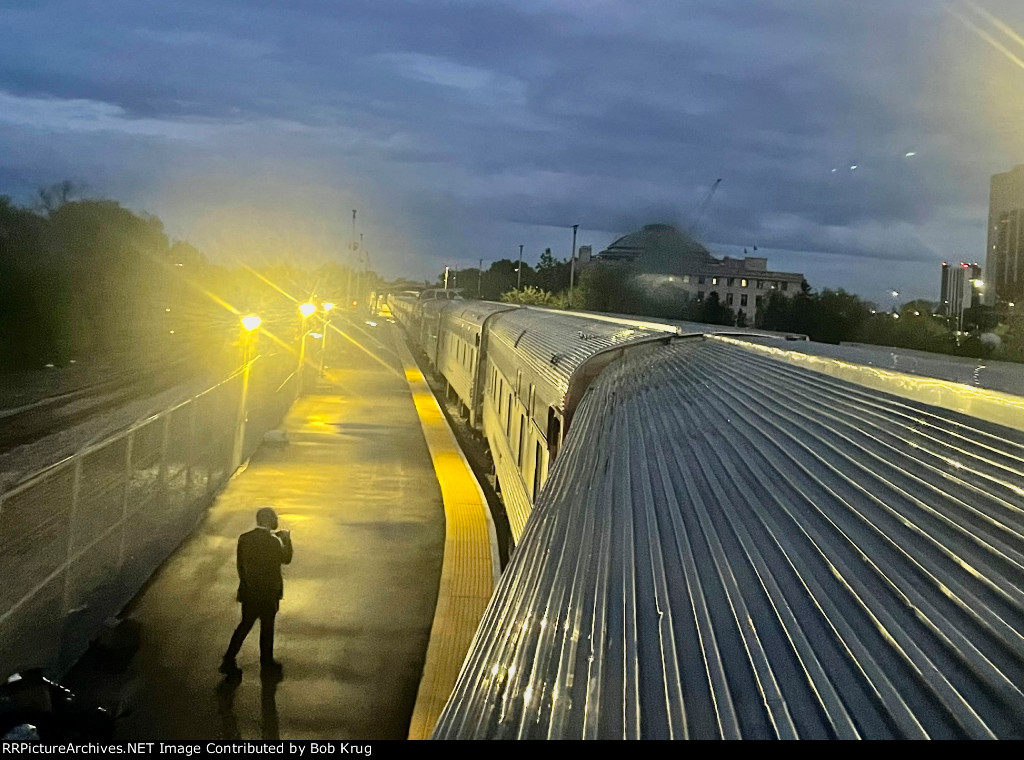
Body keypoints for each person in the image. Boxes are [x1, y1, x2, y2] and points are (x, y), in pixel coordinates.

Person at [220, 507, 293, 675]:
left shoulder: (244, 539)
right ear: (269, 520)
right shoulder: (274, 541)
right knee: (267, 628)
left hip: (249, 591)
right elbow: (286, 559)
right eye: (274, 518)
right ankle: (266, 663)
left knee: (245, 625)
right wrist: (287, 540)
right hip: (269, 592)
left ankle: (228, 659)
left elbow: (241, 566)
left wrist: (246, 585)